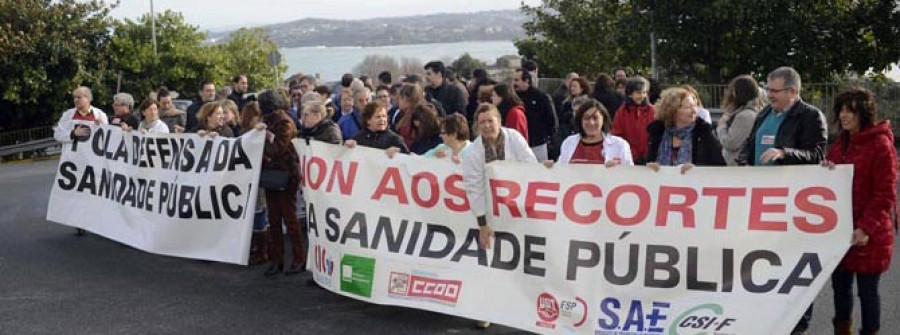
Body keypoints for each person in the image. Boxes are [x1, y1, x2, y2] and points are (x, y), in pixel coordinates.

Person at [737, 67, 826, 335]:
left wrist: (784, 153)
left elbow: (818, 153)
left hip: (791, 206)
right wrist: (742, 162)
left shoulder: (810, 116)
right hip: (760, 205)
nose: (769, 95)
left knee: (795, 266)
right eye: (768, 90)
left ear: (793, 92)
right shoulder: (764, 113)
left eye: (775, 91)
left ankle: (798, 324)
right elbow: (748, 147)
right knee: (763, 262)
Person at [823, 88, 896, 335]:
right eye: (841, 110)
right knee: (840, 290)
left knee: (867, 292)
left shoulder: (881, 145)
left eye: (850, 111)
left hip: (869, 234)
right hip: (840, 230)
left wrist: (865, 228)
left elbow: (885, 193)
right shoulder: (838, 145)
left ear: (863, 114)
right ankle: (843, 330)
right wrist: (826, 169)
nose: (844, 116)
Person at [460, 103, 537, 329]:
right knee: (487, 262)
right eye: (481, 122)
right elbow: (474, 188)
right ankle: (486, 309)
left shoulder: (515, 139)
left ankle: (529, 311)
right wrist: (483, 224)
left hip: (519, 208)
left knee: (526, 260)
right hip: (490, 210)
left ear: (499, 121)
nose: (486, 126)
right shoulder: (473, 152)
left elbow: (530, 167)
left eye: (490, 121)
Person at [257, 90, 305, 277]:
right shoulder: (267, 122)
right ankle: (277, 259)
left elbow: (277, 149)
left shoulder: (284, 122)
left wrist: (264, 136)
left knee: (290, 220)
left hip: (286, 175)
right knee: (274, 220)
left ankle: (299, 258)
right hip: (272, 175)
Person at [52, 86, 109, 236]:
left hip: (93, 162)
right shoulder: (68, 115)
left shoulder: (99, 114)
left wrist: (102, 126)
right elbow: (57, 134)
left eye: (79, 97)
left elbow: (109, 136)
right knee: (76, 193)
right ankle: (79, 222)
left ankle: (95, 221)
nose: (76, 100)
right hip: (74, 162)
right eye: (75, 97)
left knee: (93, 193)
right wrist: (72, 133)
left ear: (88, 99)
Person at [645, 87, 726, 172]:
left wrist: (698, 169)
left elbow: (720, 166)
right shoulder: (656, 133)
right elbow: (645, 161)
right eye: (688, 107)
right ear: (673, 110)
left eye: (695, 106)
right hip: (661, 183)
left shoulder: (704, 133)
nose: (694, 111)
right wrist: (649, 167)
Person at [550, 99, 633, 166]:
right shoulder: (568, 143)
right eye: (586, 118)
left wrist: (617, 170)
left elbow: (631, 176)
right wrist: (549, 169)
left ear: (603, 120)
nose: (591, 122)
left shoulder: (620, 145)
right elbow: (560, 172)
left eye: (595, 118)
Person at [241, 101, 269, 265]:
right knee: (253, 213)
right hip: (247, 180)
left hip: (258, 180)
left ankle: (262, 251)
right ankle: (257, 249)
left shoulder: (260, 133)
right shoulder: (244, 133)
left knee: (259, 212)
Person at [514, 68, 558, 161]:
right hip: (520, 143)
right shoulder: (514, 98)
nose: (515, 83)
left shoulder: (540, 96)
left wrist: (546, 135)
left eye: (517, 80)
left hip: (538, 143)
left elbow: (550, 118)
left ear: (526, 81)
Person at [716, 75, 760, 165]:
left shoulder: (745, 116)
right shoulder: (751, 112)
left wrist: (721, 126)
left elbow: (731, 143)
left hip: (737, 166)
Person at [611, 76, 655, 164]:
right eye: (638, 93)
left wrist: (649, 153)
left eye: (644, 92)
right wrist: (633, 153)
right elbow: (617, 135)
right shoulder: (622, 112)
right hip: (629, 158)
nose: (642, 96)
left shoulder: (652, 110)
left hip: (650, 159)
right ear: (630, 93)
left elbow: (656, 135)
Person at [344, 101, 409, 155]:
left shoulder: (395, 139)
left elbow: (409, 161)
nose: (382, 119)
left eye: (384, 116)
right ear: (368, 120)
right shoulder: (358, 139)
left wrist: (399, 151)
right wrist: (346, 148)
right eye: (378, 117)